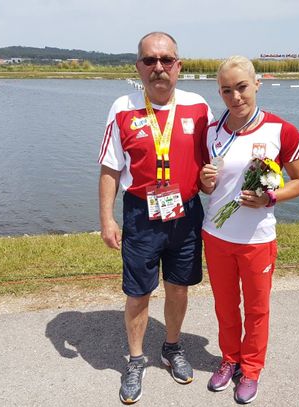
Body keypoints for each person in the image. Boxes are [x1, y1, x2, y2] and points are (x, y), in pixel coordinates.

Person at [98, 32, 213, 404]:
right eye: (150, 60)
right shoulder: (122, 107)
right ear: (139, 66)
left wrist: (213, 183)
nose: (158, 67)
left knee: (179, 287)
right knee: (138, 292)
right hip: (140, 214)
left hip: (185, 213)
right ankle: (135, 360)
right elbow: (110, 169)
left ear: (178, 65)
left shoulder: (199, 107)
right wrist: (107, 220)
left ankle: (172, 347)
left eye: (166, 60)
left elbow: (214, 160)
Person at [199, 56, 299, 404]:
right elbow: (208, 187)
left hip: (257, 241)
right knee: (225, 306)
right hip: (216, 236)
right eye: (226, 90)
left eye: (242, 87)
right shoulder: (212, 131)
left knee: (257, 309)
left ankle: (250, 369)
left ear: (257, 83)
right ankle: (229, 360)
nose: (235, 97)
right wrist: (204, 183)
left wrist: (270, 197)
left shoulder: (281, 130)